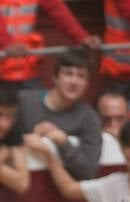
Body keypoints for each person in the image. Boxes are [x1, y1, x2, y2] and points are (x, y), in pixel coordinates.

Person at [0, 0, 92, 93]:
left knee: (35, 120)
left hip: (23, 69)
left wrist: (81, 37)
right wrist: (8, 43)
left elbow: (56, 7)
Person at [17, 48, 106, 180]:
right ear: (55, 78)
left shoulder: (89, 117)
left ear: (87, 84)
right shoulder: (24, 101)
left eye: (81, 76)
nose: (74, 81)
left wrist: (64, 142)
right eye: (68, 74)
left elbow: (89, 171)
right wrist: (27, 136)